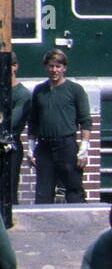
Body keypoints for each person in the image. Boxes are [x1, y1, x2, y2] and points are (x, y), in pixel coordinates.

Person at [29, 49, 91, 204]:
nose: (54, 70)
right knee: (43, 193)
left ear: (64, 68)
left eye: (58, 66)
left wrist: (84, 148)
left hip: (67, 145)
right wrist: (30, 147)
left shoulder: (75, 90)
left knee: (74, 190)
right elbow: (33, 121)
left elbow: (85, 121)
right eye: (51, 66)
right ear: (46, 67)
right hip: (44, 147)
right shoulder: (39, 90)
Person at [2, 53, 33, 226]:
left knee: (9, 192)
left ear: (15, 67)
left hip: (10, 147)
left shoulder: (22, 94)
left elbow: (10, 122)